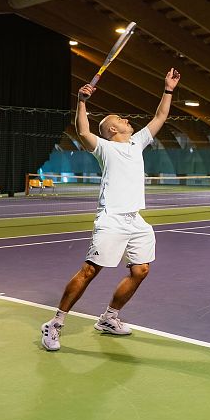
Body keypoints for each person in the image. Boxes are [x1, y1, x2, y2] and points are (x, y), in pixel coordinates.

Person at [41, 68, 181, 352]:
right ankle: (54, 323)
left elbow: (160, 117)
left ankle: (109, 318)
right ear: (112, 129)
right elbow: (83, 131)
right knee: (90, 270)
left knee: (141, 270)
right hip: (111, 219)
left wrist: (168, 90)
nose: (127, 120)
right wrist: (81, 101)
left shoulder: (137, 142)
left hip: (135, 220)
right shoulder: (104, 147)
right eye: (121, 119)